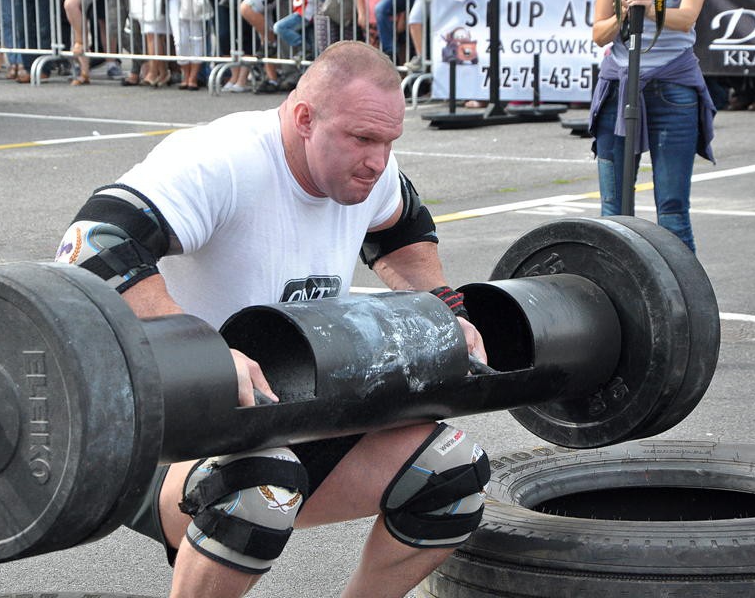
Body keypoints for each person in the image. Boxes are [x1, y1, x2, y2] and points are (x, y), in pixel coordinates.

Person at [53, 40, 490, 598]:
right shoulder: (223, 160)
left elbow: (402, 228)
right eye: (362, 139)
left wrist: (444, 309)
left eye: (388, 141)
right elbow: (92, 241)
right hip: (161, 435)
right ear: (305, 118)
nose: (378, 161)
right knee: (259, 490)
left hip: (284, 420)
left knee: (452, 474)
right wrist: (200, 350)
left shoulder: (370, 169)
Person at [589, 0, 718, 253]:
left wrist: (650, 8)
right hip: (619, 82)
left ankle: (686, 300)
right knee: (613, 210)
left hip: (672, 83)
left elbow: (688, 16)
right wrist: (625, 12)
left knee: (672, 210)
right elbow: (598, 32)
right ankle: (614, 294)